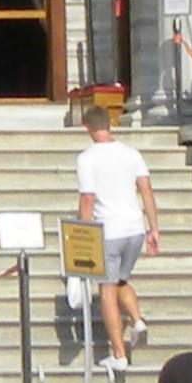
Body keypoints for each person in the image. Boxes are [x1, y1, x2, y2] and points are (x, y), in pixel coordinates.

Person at [72, 93, 159, 365]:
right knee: (122, 281)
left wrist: (84, 236)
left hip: (108, 231)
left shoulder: (87, 158)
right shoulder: (131, 153)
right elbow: (146, 189)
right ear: (110, 124)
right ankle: (137, 320)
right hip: (134, 229)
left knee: (107, 291)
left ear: (88, 128)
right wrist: (153, 228)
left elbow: (87, 199)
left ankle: (119, 353)